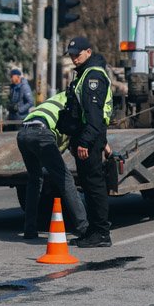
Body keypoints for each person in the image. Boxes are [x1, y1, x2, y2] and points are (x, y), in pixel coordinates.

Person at [16, 88, 88, 240]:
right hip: (42, 132)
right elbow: (63, 142)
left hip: (23, 133)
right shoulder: (74, 104)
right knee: (65, 179)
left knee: (34, 180)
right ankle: (83, 228)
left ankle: (29, 230)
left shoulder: (56, 99)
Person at [64, 36, 113, 248]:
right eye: (72, 55)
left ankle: (101, 233)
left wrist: (84, 142)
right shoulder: (85, 73)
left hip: (89, 138)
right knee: (88, 185)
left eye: (78, 54)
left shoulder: (93, 76)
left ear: (88, 52)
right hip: (88, 137)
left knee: (94, 186)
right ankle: (93, 231)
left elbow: (94, 116)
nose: (74, 58)